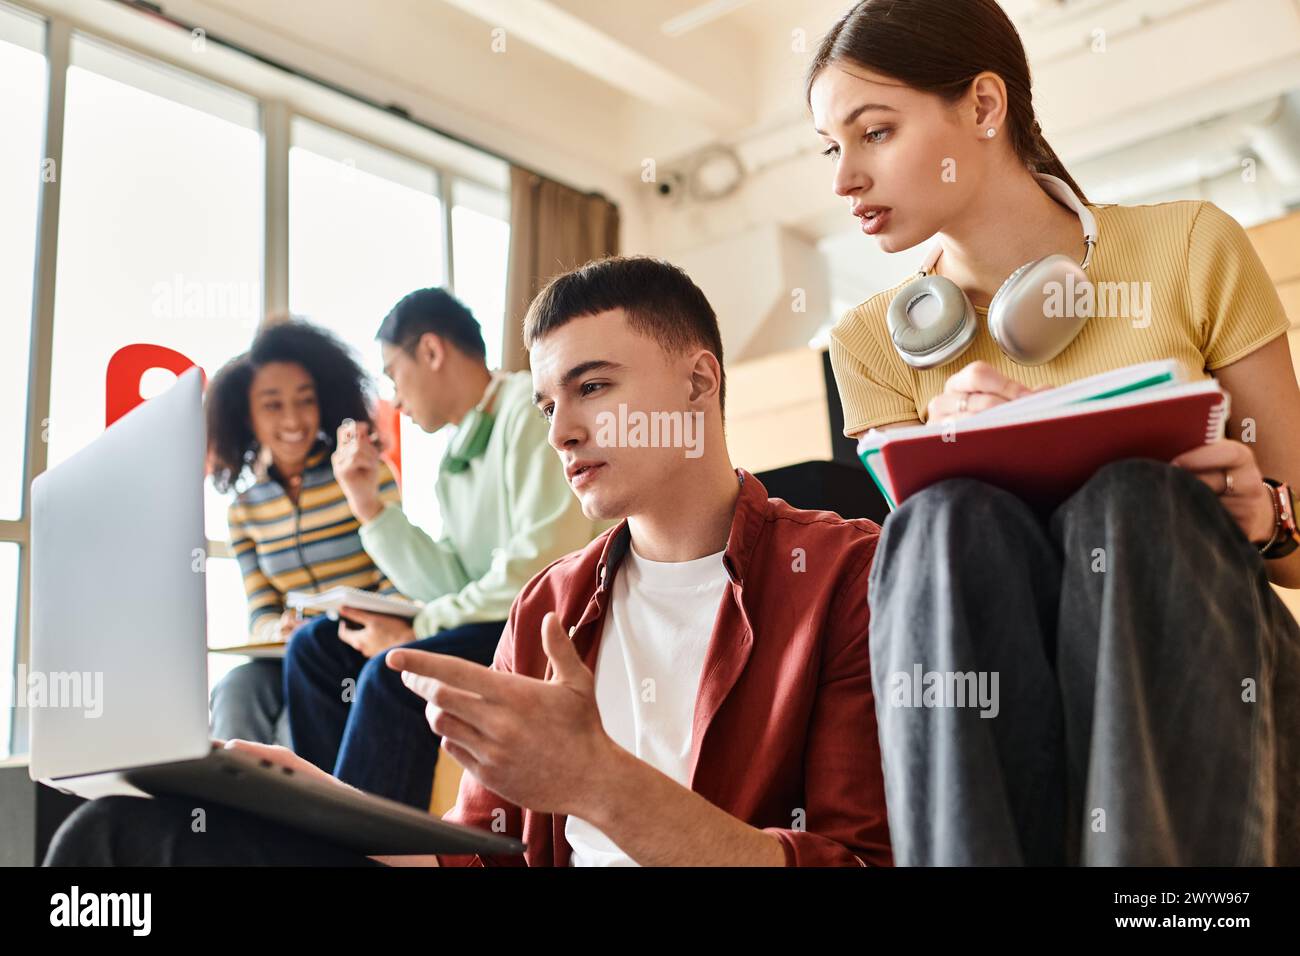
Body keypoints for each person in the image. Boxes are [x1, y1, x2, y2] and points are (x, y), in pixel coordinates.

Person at [45, 256, 893, 867]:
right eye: (548, 401)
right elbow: (477, 850)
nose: (561, 431)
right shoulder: (550, 603)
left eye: (593, 388)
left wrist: (600, 787)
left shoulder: (844, 574)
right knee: (116, 836)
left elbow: (851, 863)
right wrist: (320, 802)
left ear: (699, 385)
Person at [808, 0, 1300, 865]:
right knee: (942, 520)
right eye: (829, 147)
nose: (843, 178)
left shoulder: (1191, 247)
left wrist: (1266, 516)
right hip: (1008, 728)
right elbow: (940, 607)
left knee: (1135, 502)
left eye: (874, 132)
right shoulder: (868, 345)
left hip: (1210, 707)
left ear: (985, 108)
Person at [282, 287, 600, 809]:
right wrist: (369, 506)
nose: (394, 399)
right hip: (490, 620)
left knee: (394, 674)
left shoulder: (529, 409)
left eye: (393, 374)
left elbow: (538, 574)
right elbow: (451, 582)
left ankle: (365, 855)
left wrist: (420, 628)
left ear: (430, 352)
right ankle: (324, 826)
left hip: (540, 624)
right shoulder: (455, 456)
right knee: (315, 647)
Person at [206, 320, 403, 747]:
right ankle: (228, 811)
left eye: (305, 401)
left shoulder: (362, 475)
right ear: (247, 416)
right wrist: (275, 630)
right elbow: (260, 610)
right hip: (283, 657)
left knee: (289, 729)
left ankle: (290, 812)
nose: (293, 419)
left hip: (355, 650)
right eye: (273, 405)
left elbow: (397, 579)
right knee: (234, 692)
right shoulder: (244, 512)